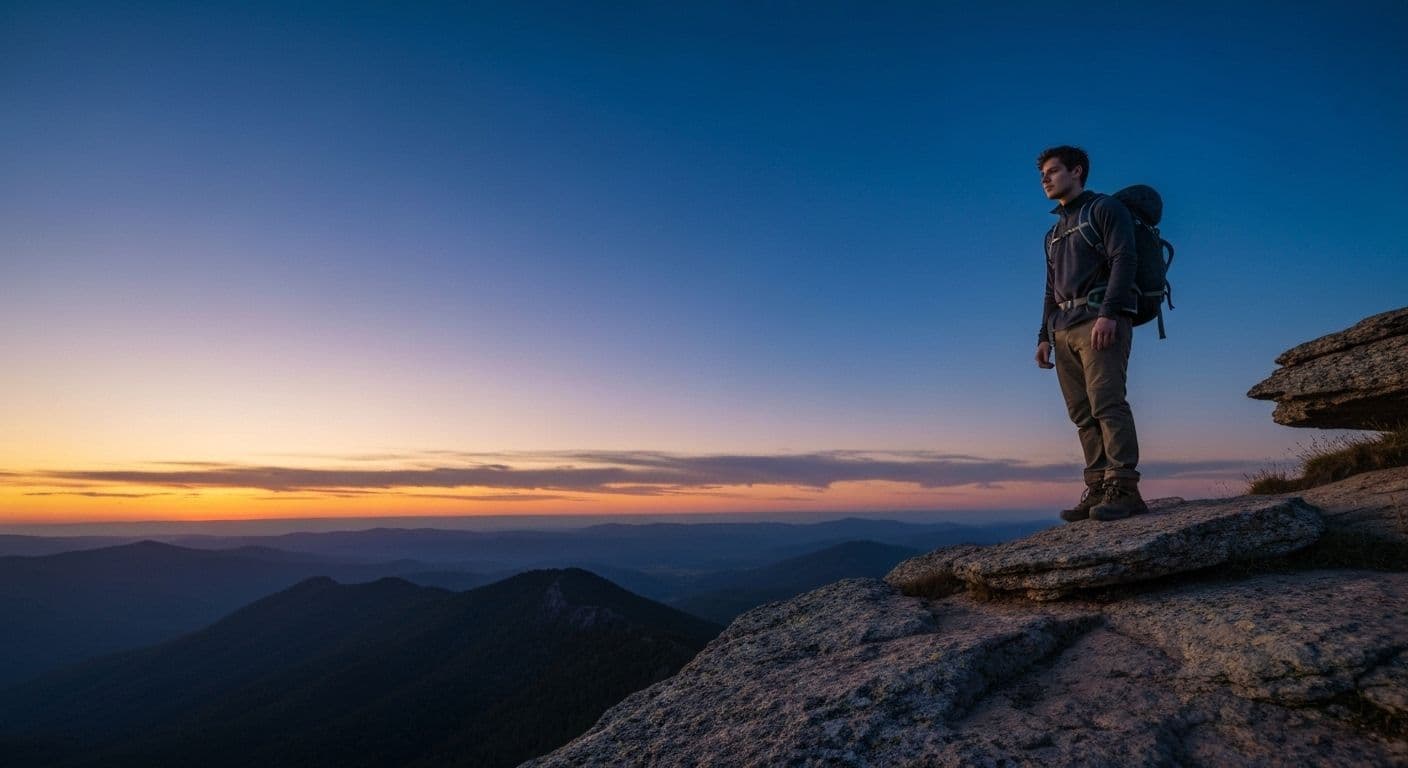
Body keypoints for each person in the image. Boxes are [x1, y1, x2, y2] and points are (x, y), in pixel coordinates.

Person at [1034, 145, 1148, 522]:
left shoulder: (1103, 209)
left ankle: (1124, 489)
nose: (1045, 179)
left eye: (1052, 171)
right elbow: (1051, 289)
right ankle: (1098, 486)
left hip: (1099, 320)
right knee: (1082, 413)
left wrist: (1109, 313)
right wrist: (1043, 336)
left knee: (1107, 402)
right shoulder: (1052, 233)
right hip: (1063, 328)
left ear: (1077, 171)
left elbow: (1124, 258)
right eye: (1042, 175)